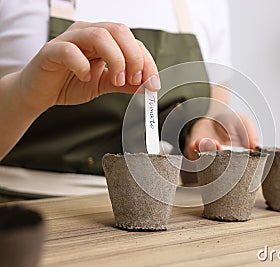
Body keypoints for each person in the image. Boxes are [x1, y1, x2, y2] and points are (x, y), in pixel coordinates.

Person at [0, 0, 258, 199]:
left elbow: (212, 112)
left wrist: (204, 134)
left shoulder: (206, 5)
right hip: (24, 217)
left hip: (161, 217)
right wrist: (26, 93)